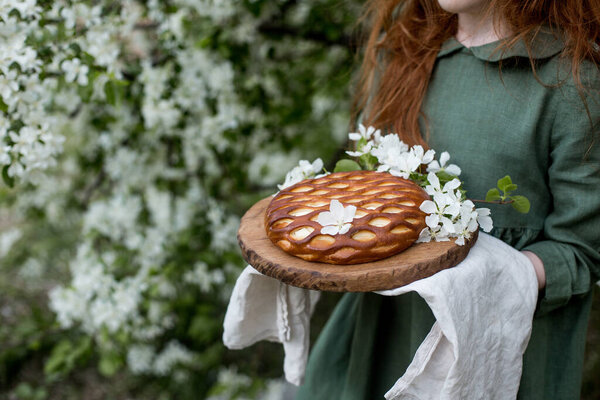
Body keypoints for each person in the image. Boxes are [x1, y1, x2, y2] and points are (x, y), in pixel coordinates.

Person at [296, 0, 600, 399]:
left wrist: (486, 274)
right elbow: (364, 192)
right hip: (381, 335)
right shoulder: (404, 52)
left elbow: (580, 249)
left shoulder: (570, 80)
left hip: (491, 349)